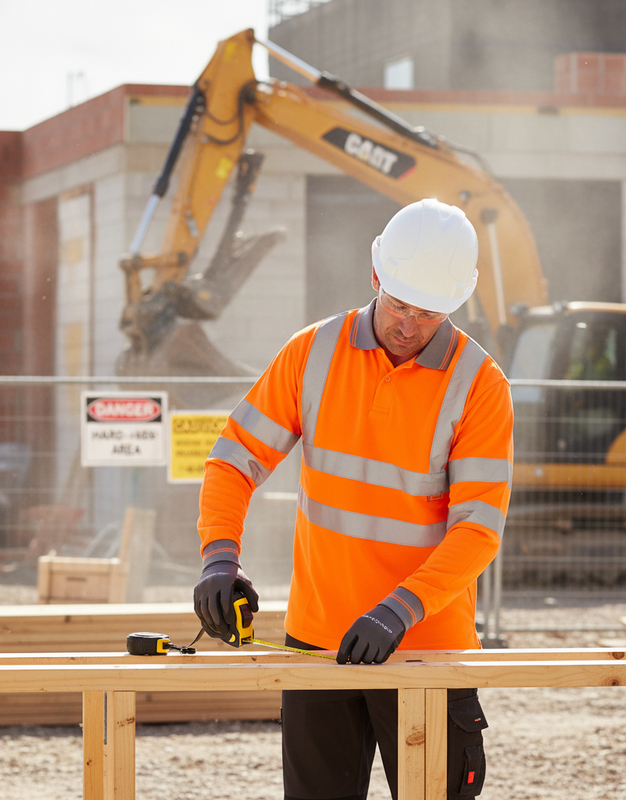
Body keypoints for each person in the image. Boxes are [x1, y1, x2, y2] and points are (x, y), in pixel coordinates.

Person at [193, 198, 514, 800]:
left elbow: (478, 529)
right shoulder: (311, 353)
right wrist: (219, 557)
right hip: (318, 644)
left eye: (429, 312)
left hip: (428, 651)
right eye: (398, 304)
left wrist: (399, 609)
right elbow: (234, 460)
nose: (410, 325)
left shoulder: (481, 385)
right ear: (375, 278)